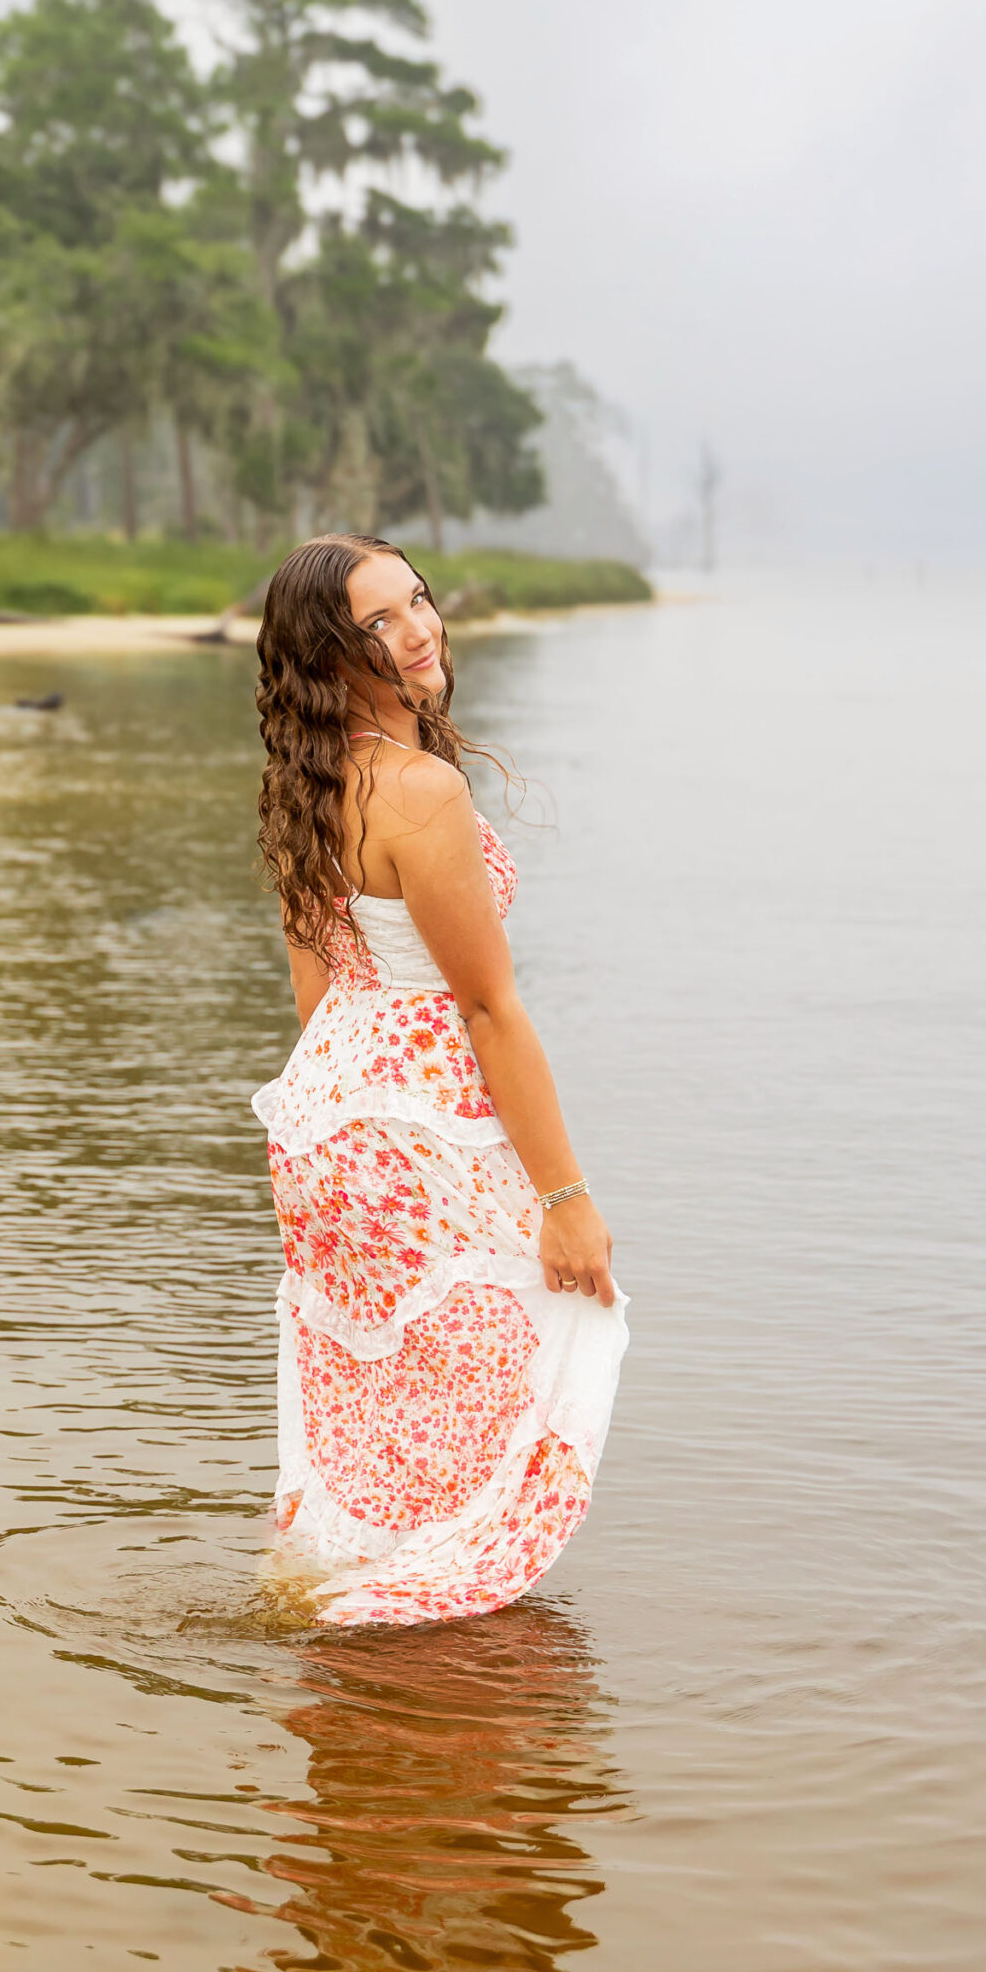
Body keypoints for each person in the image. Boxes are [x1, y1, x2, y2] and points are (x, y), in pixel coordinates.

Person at [251, 534, 628, 1627]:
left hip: (322, 1124)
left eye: (417, 600)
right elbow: (487, 1007)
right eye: (378, 622)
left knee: (384, 1377)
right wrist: (565, 1198)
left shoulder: (305, 778)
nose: (418, 629)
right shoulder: (419, 791)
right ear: (329, 653)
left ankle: (332, 1596)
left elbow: (318, 985)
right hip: (414, 1120)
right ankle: (412, 1611)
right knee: (560, 1318)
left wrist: (346, 1142)